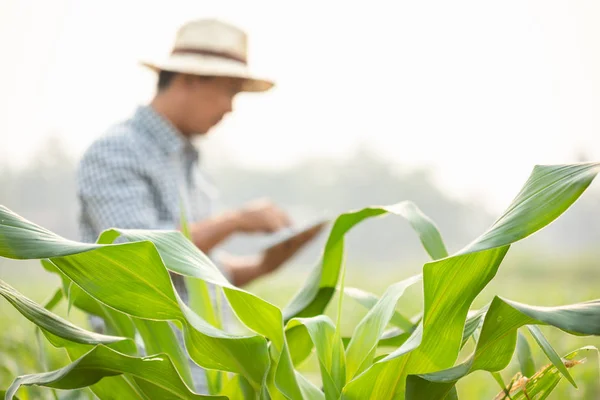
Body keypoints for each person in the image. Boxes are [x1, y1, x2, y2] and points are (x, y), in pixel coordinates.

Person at [76, 18, 323, 393]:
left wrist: (263, 264)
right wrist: (235, 221)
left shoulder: (188, 162)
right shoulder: (117, 151)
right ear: (190, 79)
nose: (230, 108)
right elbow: (134, 255)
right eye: (229, 91)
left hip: (204, 373)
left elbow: (194, 276)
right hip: (152, 376)